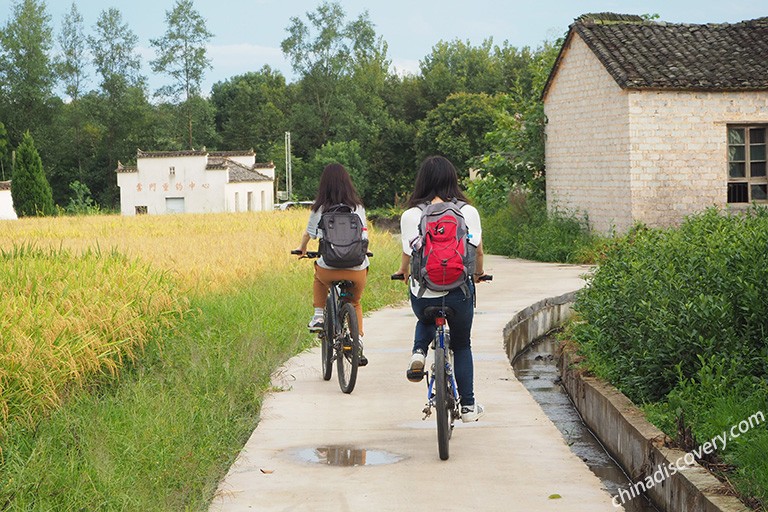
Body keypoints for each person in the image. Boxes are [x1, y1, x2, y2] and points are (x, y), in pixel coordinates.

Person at [393, 155, 487, 422]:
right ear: (452, 180)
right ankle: (468, 407)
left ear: (421, 181)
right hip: (459, 292)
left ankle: (418, 352)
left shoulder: (411, 215)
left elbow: (408, 255)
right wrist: (478, 275)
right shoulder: (467, 212)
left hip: (424, 293)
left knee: (425, 315)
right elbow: (477, 251)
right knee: (462, 343)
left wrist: (402, 273)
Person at [294, 163, 370, 365]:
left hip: (329, 267)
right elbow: (364, 236)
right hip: (356, 268)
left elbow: (309, 234)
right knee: (354, 302)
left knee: (319, 277)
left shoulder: (319, 208)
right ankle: (358, 342)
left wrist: (302, 249)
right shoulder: (358, 207)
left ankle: (319, 315)